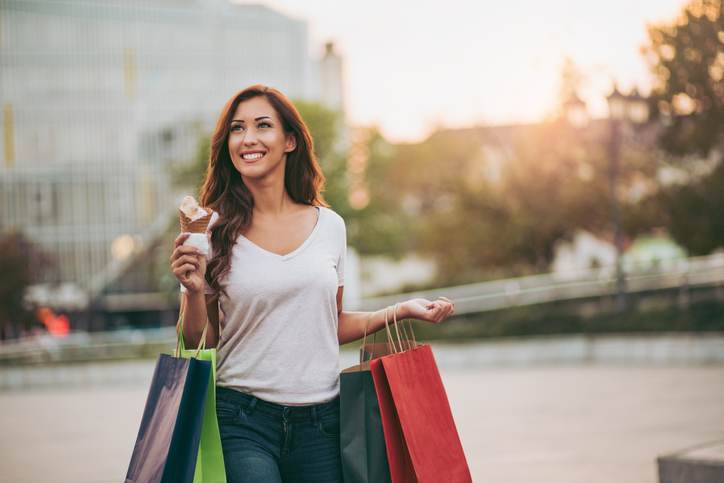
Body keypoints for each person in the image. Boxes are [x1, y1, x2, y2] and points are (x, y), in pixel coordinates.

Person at [169, 84, 455, 483]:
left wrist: (401, 310)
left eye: (262, 125)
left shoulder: (330, 226)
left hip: (322, 422)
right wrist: (193, 291)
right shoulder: (212, 231)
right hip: (242, 418)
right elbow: (201, 337)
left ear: (289, 141)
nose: (248, 138)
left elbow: (329, 325)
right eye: (237, 129)